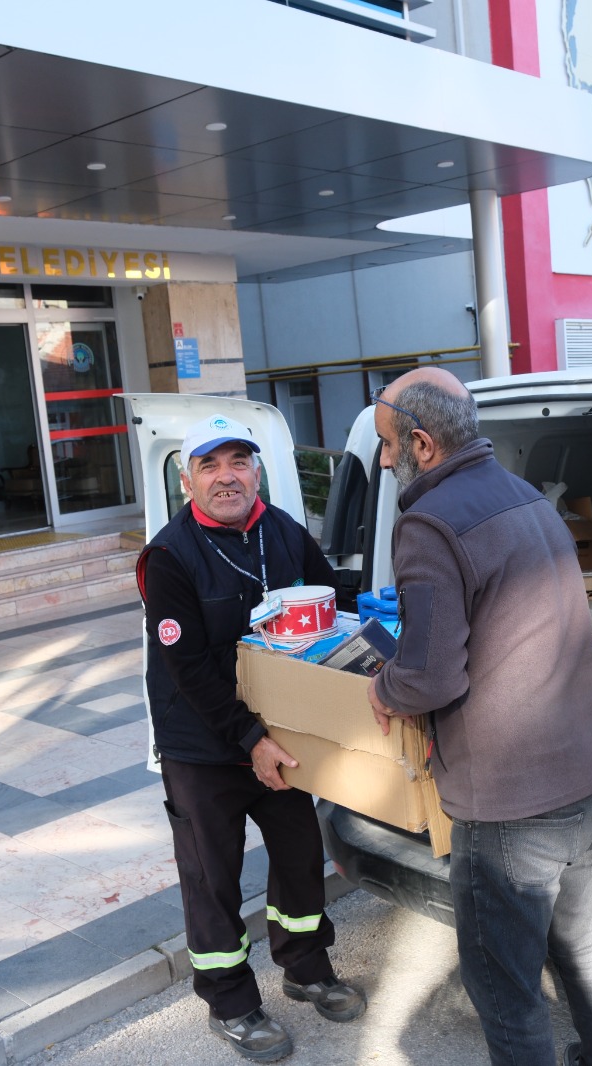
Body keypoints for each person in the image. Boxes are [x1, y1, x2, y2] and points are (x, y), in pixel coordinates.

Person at [365, 369, 592, 1066]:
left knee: (507, 996)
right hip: (591, 781)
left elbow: (428, 675)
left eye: (388, 446)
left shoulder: (428, 523)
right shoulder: (524, 496)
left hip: (513, 812)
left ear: (421, 443)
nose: (384, 460)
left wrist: (385, 687)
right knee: (582, 945)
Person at [136, 414, 365, 1062]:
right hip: (204, 748)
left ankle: (305, 966)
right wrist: (251, 741)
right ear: (188, 481)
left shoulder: (284, 534)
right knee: (214, 880)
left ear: (256, 472)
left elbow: (335, 606)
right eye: (210, 465)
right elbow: (192, 672)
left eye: (238, 461)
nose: (226, 476)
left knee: (299, 858)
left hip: (283, 738)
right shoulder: (169, 557)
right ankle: (231, 1003)